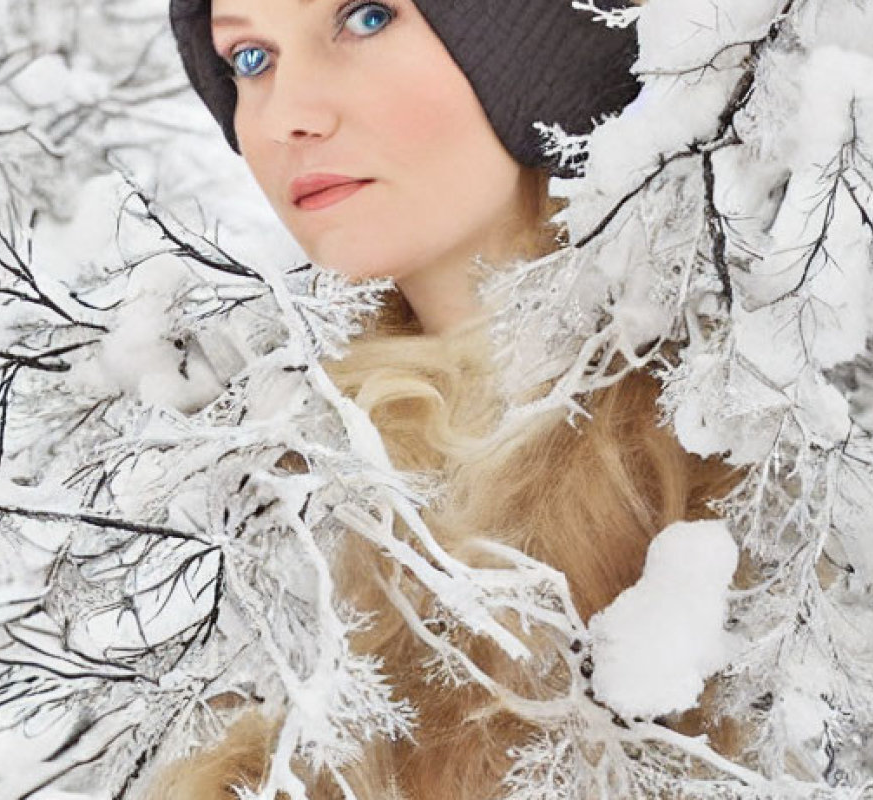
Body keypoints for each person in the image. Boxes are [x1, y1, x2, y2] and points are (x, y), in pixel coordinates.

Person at [152, 0, 741, 797]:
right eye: (250, 59)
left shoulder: (736, 468)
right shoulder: (244, 482)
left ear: (541, 53)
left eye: (365, 18)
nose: (287, 114)